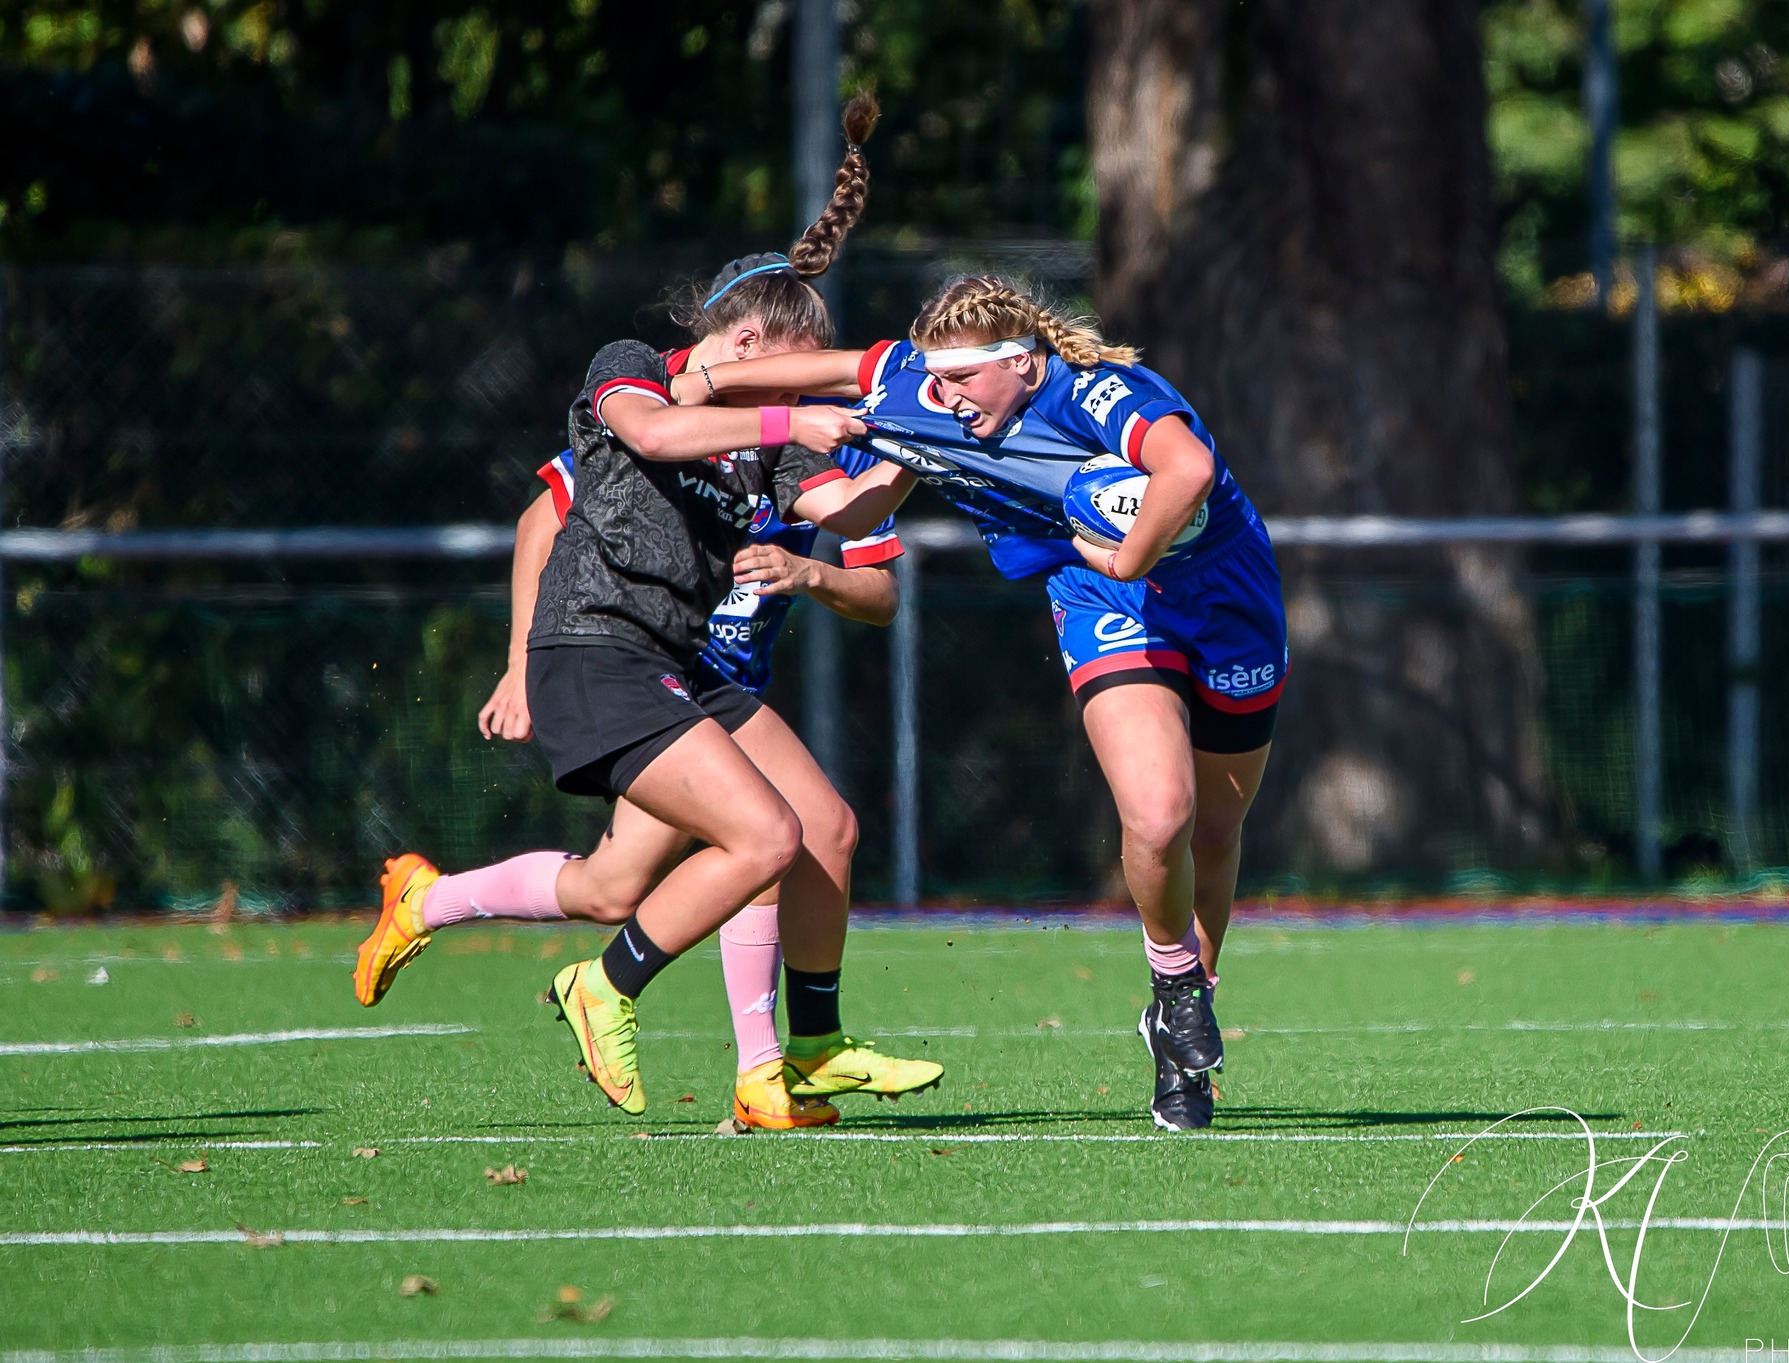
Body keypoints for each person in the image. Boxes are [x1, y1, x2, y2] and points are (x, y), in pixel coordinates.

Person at [353, 97, 942, 1120]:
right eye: (777, 362)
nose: (788, 383)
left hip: (687, 674)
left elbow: (843, 509)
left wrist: (911, 457)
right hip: (601, 650)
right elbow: (637, 458)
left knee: (759, 846)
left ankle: (794, 1055)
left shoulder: (776, 442)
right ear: (742, 339)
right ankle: (641, 1002)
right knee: (759, 839)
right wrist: (515, 663)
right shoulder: (630, 371)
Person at [686, 275, 1286, 1130]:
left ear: (1024, 365)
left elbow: (1187, 469)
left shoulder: (1098, 392)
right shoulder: (919, 383)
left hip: (1227, 600)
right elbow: (826, 369)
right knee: (1159, 817)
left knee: (1219, 833)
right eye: (937, 380)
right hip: (1100, 597)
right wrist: (699, 384)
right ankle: (1176, 981)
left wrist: (1131, 556)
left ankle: (1183, 1006)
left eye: (965, 381)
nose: (947, 398)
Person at [471, 435, 907, 1130]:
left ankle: (779, 1066)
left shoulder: (839, 451)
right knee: (729, 849)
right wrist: (522, 659)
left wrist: (809, 573)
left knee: (786, 836)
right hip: (651, 677)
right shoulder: (671, 420)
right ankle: (754, 1064)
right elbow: (537, 521)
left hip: (723, 690)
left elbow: (881, 593)